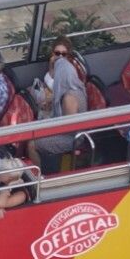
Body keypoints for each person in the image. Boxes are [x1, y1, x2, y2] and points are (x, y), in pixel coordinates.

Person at [28, 37, 87, 171]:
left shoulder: (70, 98)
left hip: (73, 137)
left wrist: (46, 125)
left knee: (32, 143)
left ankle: (40, 178)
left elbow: (69, 129)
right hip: (62, 128)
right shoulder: (68, 88)